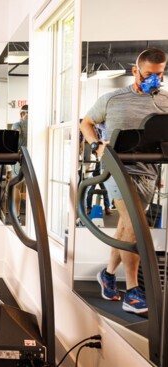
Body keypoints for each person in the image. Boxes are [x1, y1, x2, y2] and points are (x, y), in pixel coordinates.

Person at [80, 47, 168, 315]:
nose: (155, 79)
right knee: (135, 226)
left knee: (125, 228)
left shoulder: (164, 102)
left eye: (160, 74)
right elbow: (87, 122)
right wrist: (96, 145)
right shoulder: (112, 99)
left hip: (148, 172)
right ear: (135, 71)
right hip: (116, 169)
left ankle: (107, 275)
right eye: (149, 74)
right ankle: (132, 290)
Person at [9, 105, 28, 221]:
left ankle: (16, 216)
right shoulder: (21, 125)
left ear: (21, 114)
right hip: (29, 158)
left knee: (16, 186)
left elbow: (13, 137)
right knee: (26, 187)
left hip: (20, 157)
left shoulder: (18, 124)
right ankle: (18, 216)